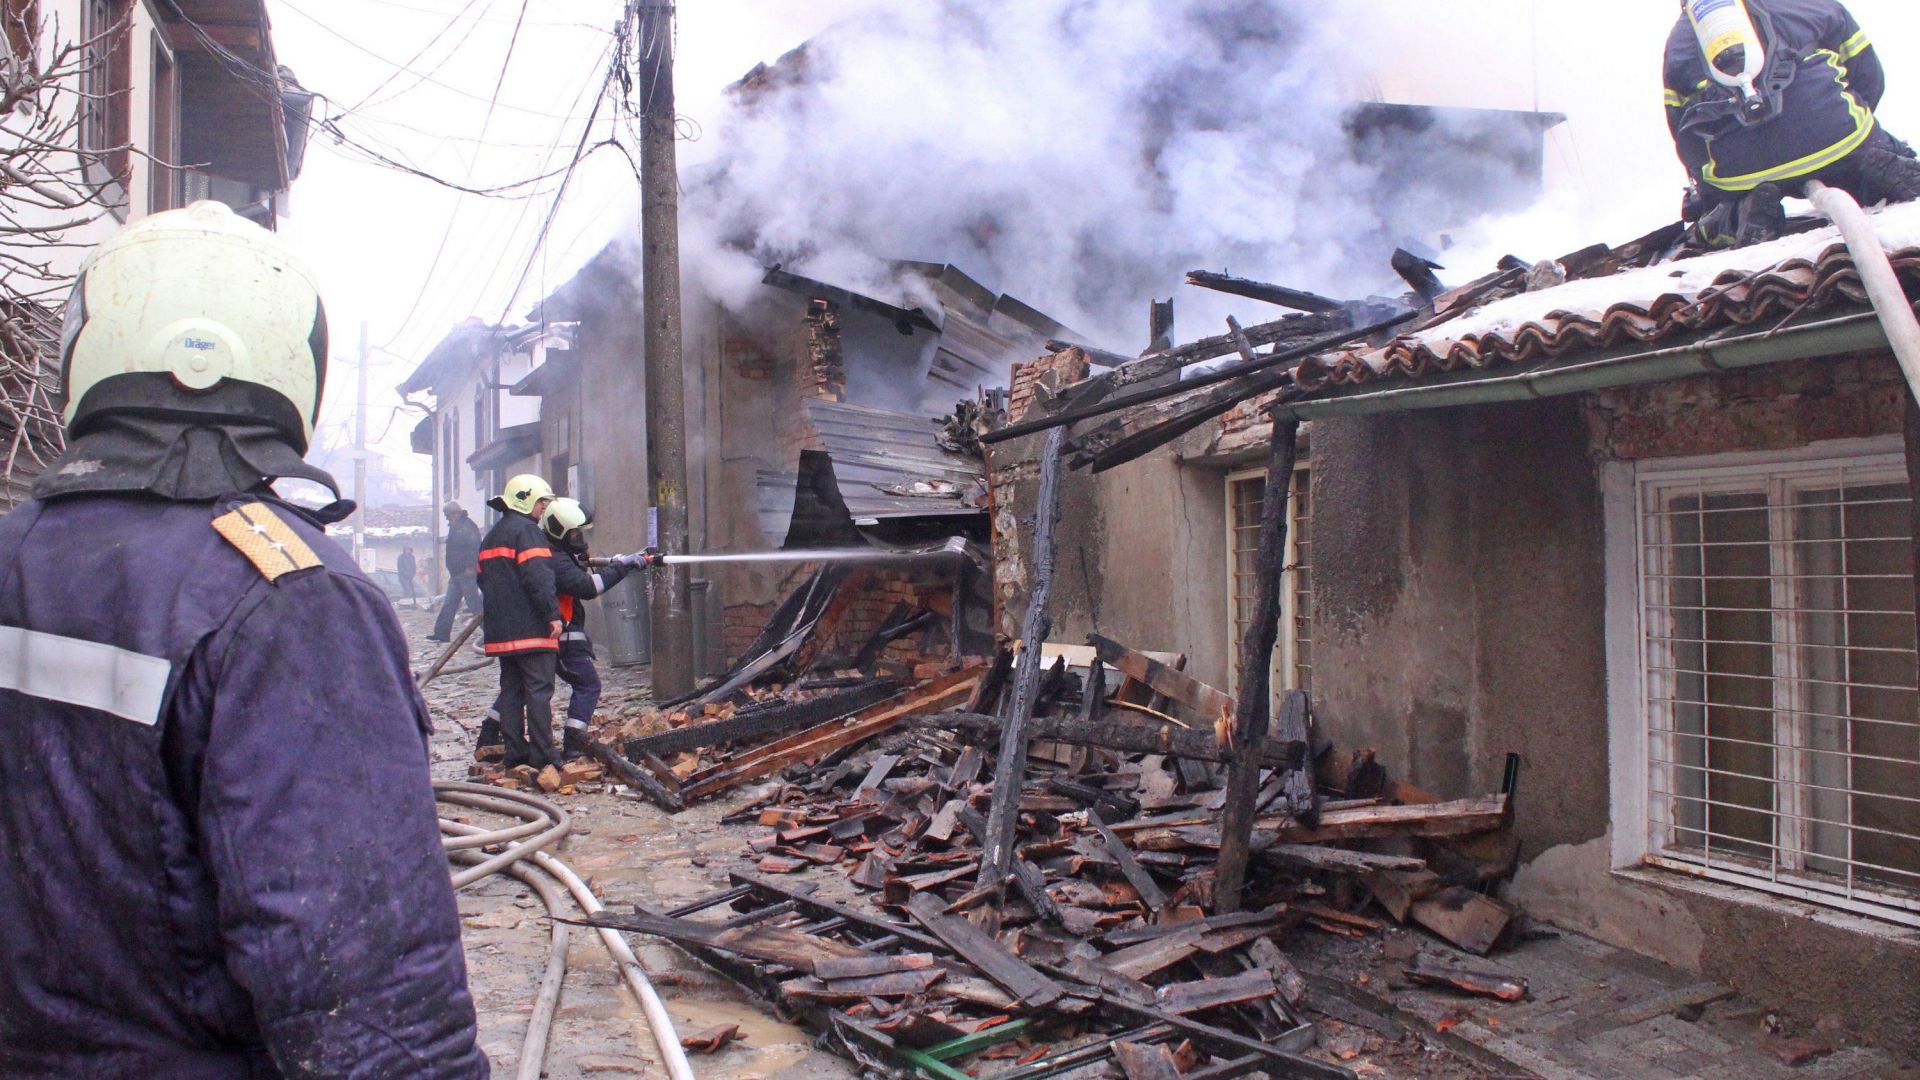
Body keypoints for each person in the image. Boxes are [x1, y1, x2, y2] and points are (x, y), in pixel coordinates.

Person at [0, 202, 484, 1076]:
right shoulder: (291, 600)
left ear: (88, 349)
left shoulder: (14, 558)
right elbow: (369, 1000)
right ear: (291, 367)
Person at [1666, 0, 1920, 249]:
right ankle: (1875, 172)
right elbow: (1869, 76)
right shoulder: (1807, 3)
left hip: (1742, 174)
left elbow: (1685, 134)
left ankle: (1738, 215)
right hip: (1836, 137)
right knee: (1865, 151)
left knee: (1717, 208)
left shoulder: (1679, 41)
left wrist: (1710, 187)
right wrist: (1839, 126)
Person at [475, 498, 645, 761]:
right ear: (560, 531)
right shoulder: (552, 557)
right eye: (575, 533)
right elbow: (588, 588)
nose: (580, 538)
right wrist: (622, 567)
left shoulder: (544, 547)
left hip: (534, 632)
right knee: (584, 685)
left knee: (516, 687)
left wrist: (613, 562)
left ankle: (492, 737)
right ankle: (568, 744)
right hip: (556, 634)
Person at [476, 473, 565, 769]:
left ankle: (515, 753)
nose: (543, 508)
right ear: (525, 499)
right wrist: (552, 615)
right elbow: (539, 577)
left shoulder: (492, 535)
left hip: (501, 631)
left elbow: (481, 579)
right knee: (539, 691)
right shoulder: (527, 532)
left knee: (512, 691)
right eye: (541, 502)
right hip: (531, 630)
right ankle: (543, 755)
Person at [428, 501, 483, 641]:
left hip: (466, 573)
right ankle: (441, 633)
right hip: (457, 573)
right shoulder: (456, 526)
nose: (446, 518)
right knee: (449, 604)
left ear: (455, 513)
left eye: (447, 515)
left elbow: (475, 548)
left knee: (474, 605)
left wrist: (471, 567)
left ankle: (492, 634)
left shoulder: (467, 526)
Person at [397, 543, 418, 608]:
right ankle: (404, 604)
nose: (407, 551)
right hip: (403, 577)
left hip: (411, 577)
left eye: (409, 549)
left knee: (412, 591)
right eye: (406, 549)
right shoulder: (401, 557)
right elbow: (400, 568)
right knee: (407, 590)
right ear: (404, 550)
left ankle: (413, 604)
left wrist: (413, 574)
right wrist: (405, 574)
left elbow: (414, 566)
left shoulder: (412, 557)